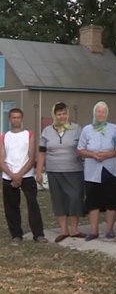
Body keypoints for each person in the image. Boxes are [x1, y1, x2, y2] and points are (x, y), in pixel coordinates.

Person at [36, 102, 85, 242]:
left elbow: (83, 148)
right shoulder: (47, 131)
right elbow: (41, 153)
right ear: (54, 115)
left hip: (74, 170)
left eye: (64, 113)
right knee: (59, 199)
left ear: (67, 114)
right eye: (59, 114)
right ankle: (64, 230)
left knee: (75, 198)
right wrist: (39, 172)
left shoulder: (77, 129)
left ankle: (74, 230)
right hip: (54, 171)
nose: (62, 116)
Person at [77, 101, 116, 241]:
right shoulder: (87, 129)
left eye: (103, 112)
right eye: (98, 112)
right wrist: (92, 155)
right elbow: (80, 149)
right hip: (92, 171)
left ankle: (110, 230)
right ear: (94, 113)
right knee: (93, 201)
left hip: (110, 169)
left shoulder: (113, 128)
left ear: (106, 114)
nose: (101, 114)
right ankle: (93, 231)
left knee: (112, 200)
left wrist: (109, 154)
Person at [0, 108, 46, 244]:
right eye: (13, 117)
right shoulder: (4, 137)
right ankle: (16, 235)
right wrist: (12, 175)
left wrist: (19, 175)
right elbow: (1, 159)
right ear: (9, 119)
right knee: (11, 207)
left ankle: (38, 234)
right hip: (9, 176)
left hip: (27, 175)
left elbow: (32, 157)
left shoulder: (29, 134)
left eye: (18, 117)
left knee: (33, 205)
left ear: (22, 118)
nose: (16, 120)